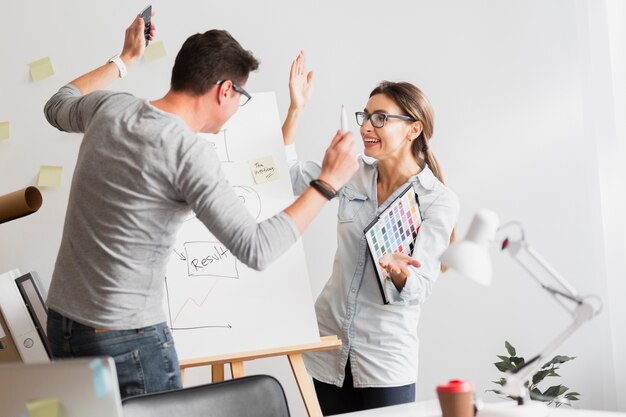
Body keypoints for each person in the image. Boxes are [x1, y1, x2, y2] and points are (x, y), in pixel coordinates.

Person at [43, 16, 358, 399]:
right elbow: (257, 248)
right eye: (242, 97)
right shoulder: (186, 151)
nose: (240, 106)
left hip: (63, 325)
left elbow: (57, 104)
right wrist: (328, 182)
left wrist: (124, 59)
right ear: (225, 90)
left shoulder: (110, 108)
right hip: (126, 341)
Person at [282, 52, 460, 415]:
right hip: (329, 347)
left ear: (413, 129)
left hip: (384, 357)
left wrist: (399, 271)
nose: (366, 127)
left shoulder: (437, 200)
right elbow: (283, 176)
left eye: (381, 118)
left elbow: (421, 285)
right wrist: (296, 108)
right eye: (366, 116)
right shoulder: (352, 170)